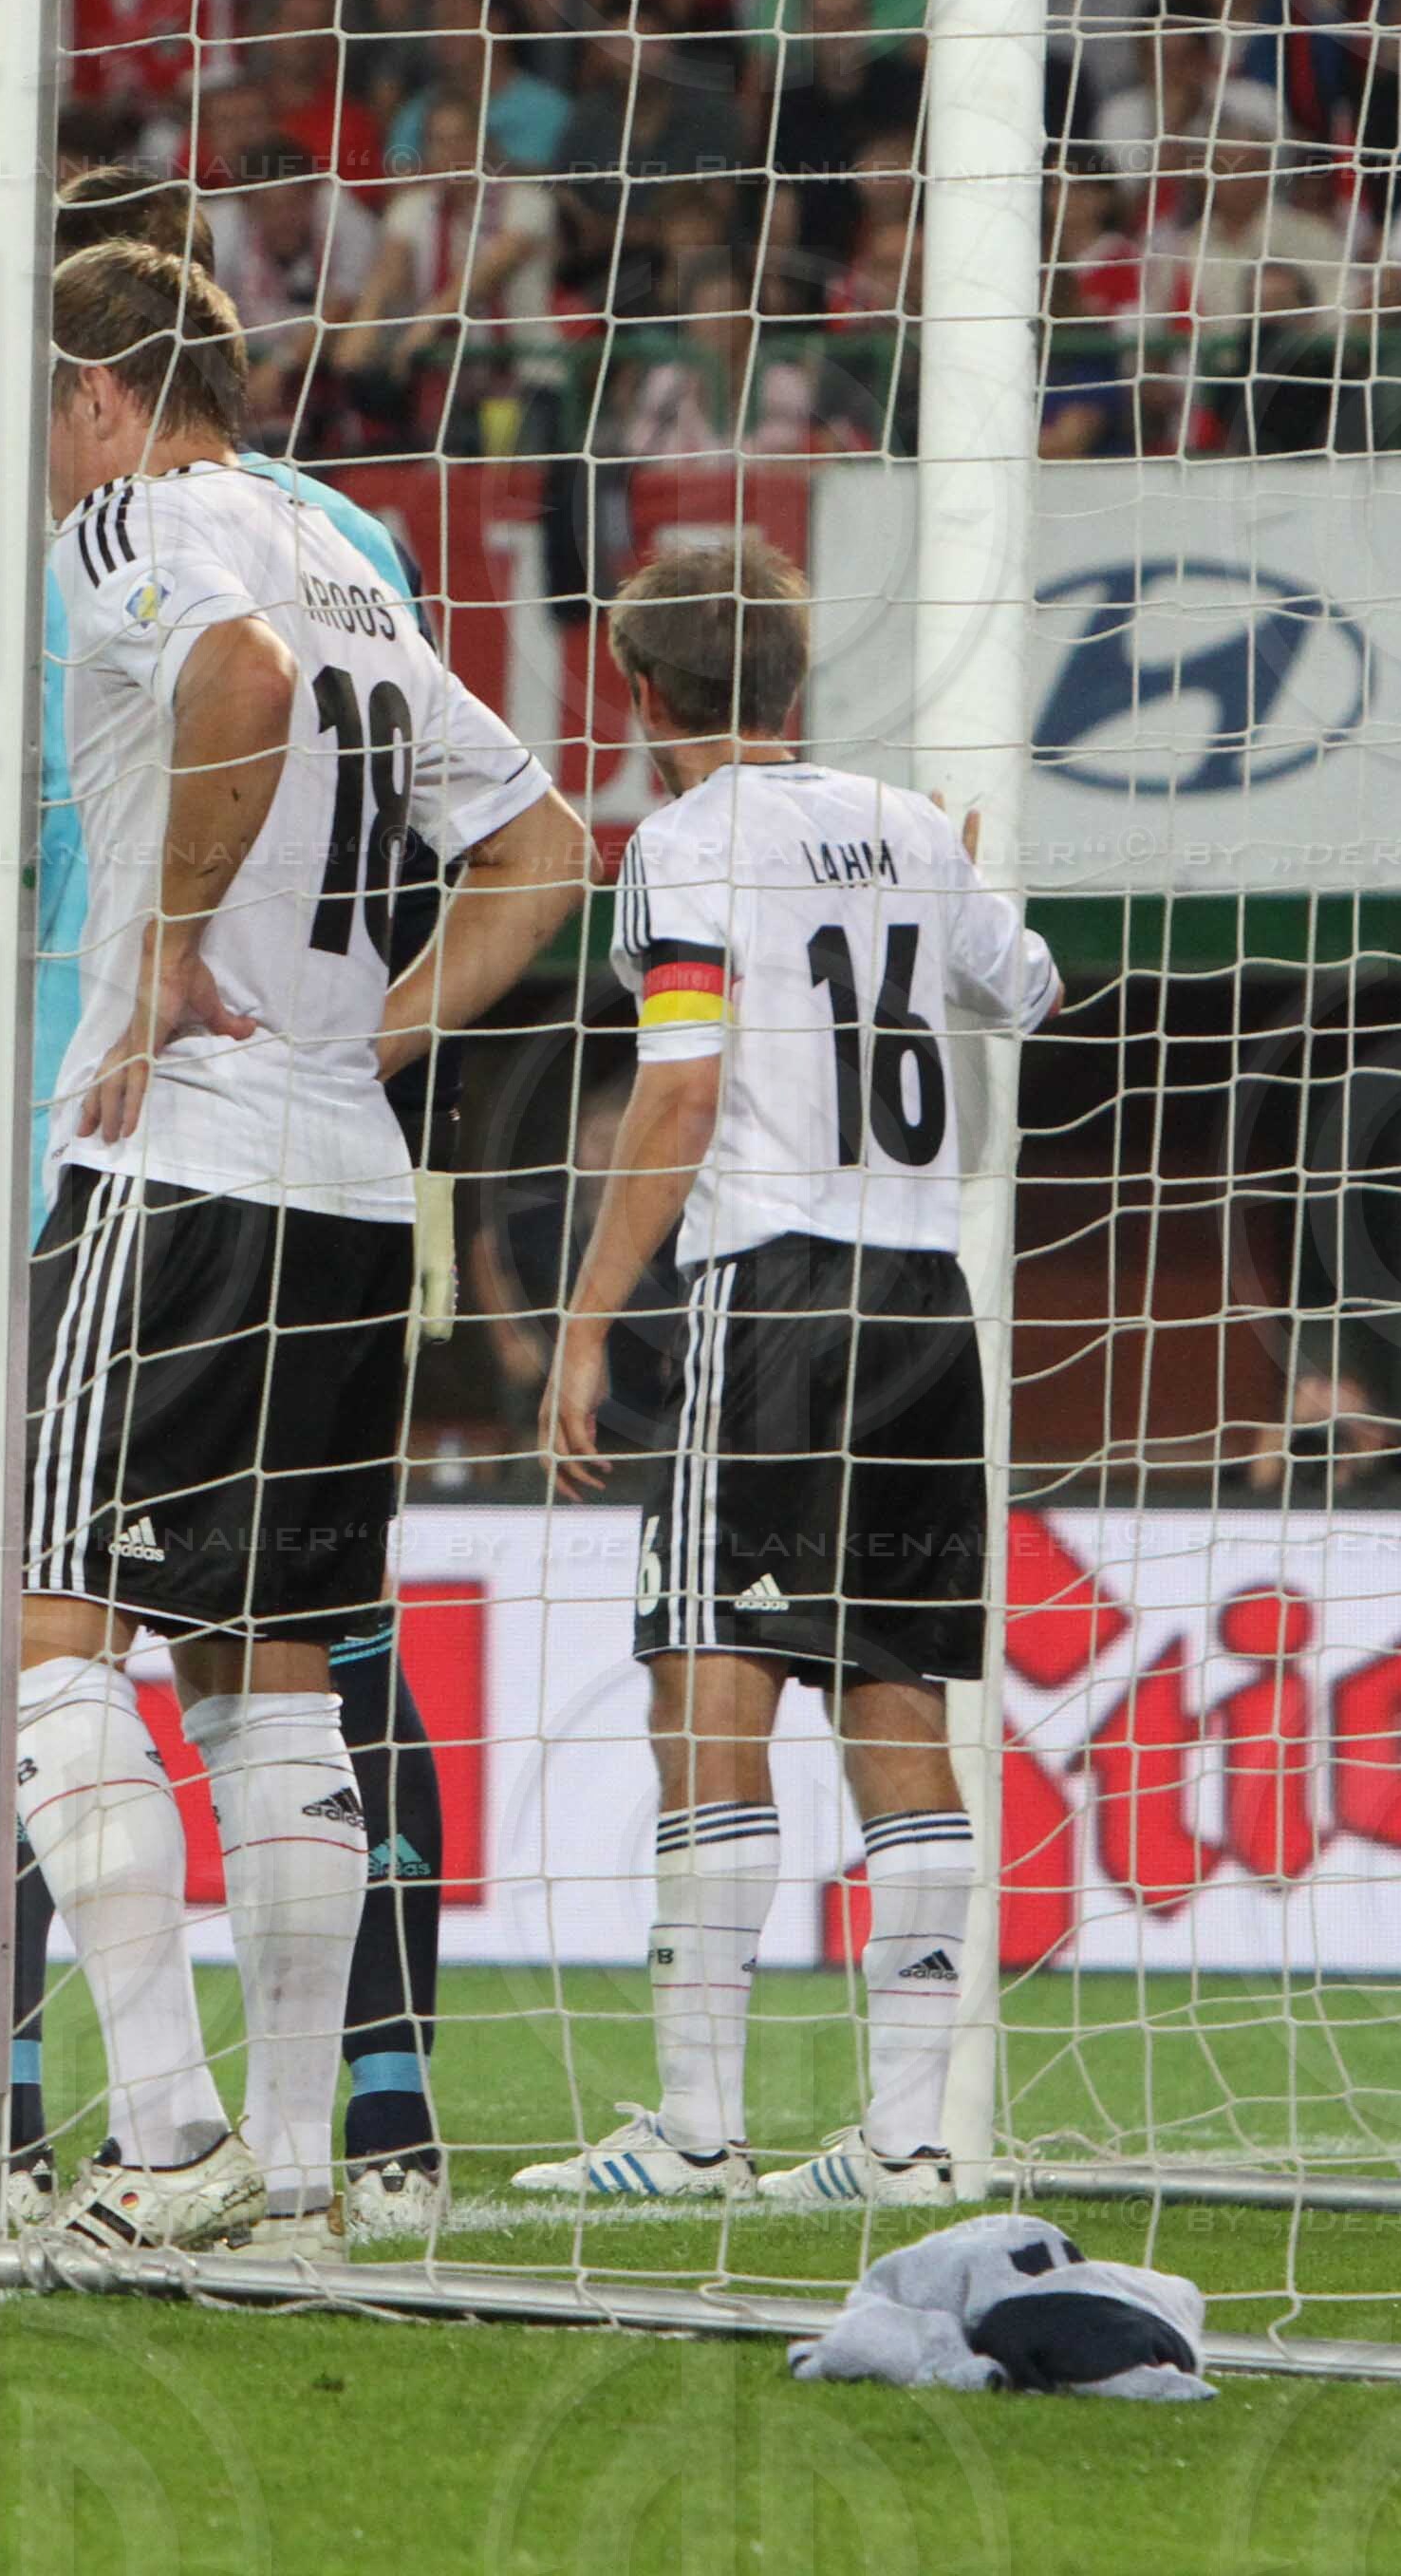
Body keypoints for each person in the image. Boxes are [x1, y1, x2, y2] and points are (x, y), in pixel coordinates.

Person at [17, 237, 588, 2257]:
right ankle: (284, 2177)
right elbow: (543, 847)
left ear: (99, 391)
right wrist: (380, 1030)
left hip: (176, 1167)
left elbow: (234, 688)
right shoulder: (349, 564)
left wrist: (170, 938)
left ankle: (156, 2141)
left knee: (54, 1627)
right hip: (352, 1186)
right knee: (279, 1691)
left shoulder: (130, 526)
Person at [526, 534, 1055, 2208]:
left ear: (639, 694)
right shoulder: (903, 826)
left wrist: (589, 1313)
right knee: (897, 1705)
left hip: (767, 1297)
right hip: (919, 1301)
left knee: (706, 1689)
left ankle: (693, 2130)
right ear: (791, 682)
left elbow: (677, 1092)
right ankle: (907, 2139)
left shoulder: (675, 844)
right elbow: (1025, 989)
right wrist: (939, 887)